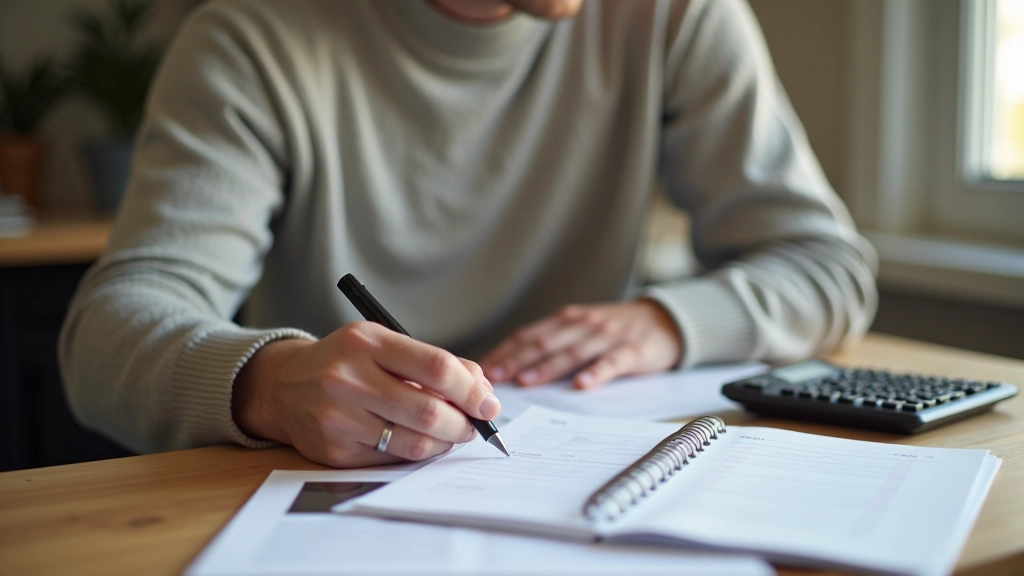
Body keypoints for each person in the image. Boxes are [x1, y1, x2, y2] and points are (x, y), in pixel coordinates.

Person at [59, 0, 877, 468]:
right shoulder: (251, 40)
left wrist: (669, 323)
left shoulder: (673, 15)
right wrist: (270, 385)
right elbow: (106, 332)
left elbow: (828, 267)